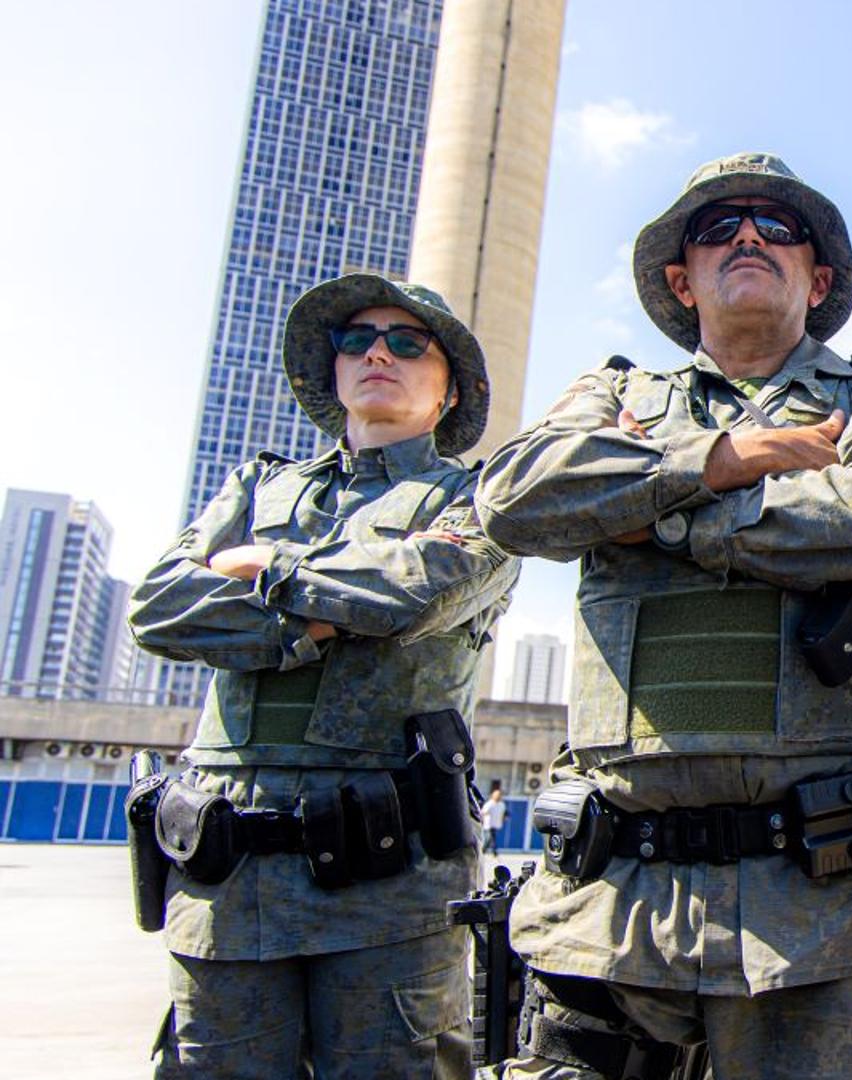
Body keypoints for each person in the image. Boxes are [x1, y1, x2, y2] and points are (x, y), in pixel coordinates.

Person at [474, 152, 852, 1079]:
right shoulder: (613, 397)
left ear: (817, 279)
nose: (748, 237)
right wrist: (736, 455)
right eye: (718, 228)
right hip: (607, 909)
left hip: (821, 919)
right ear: (680, 277)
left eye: (778, 228)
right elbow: (516, 499)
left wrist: (655, 507)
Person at [127, 274, 520, 1078]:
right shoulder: (256, 487)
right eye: (357, 340)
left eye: (409, 343)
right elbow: (161, 606)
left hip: (387, 890)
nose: (378, 351)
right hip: (227, 884)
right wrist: (311, 622)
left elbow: (410, 591)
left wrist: (262, 565)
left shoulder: (481, 496)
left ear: (450, 393)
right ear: (334, 371)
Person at [485, 783, 509, 855]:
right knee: (492, 838)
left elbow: (505, 812)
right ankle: (494, 852)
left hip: (496, 823)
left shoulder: (501, 804)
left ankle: (484, 849)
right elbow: (484, 812)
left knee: (490, 838)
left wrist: (505, 817)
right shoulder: (490, 804)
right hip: (489, 823)